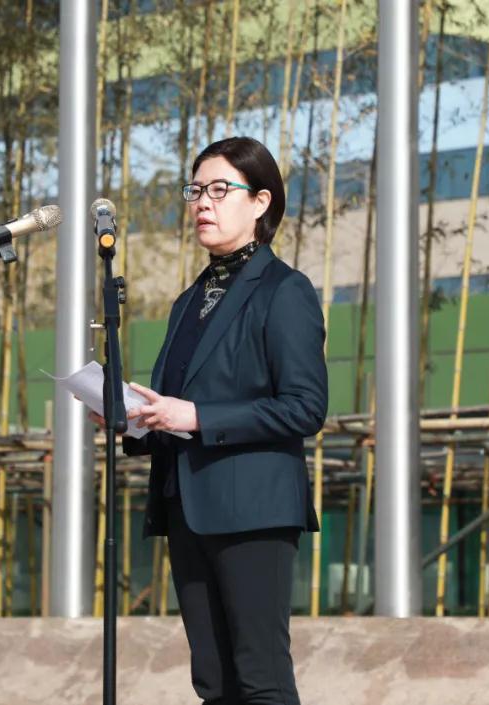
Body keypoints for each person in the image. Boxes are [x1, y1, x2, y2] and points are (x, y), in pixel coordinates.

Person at [88, 136, 326, 705]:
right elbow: (176, 408)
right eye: (196, 190)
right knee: (214, 683)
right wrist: (133, 422)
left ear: (261, 202)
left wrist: (197, 416)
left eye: (220, 190)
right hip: (187, 506)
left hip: (253, 509)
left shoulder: (285, 291)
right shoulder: (188, 301)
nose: (202, 203)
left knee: (261, 679)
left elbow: (305, 406)